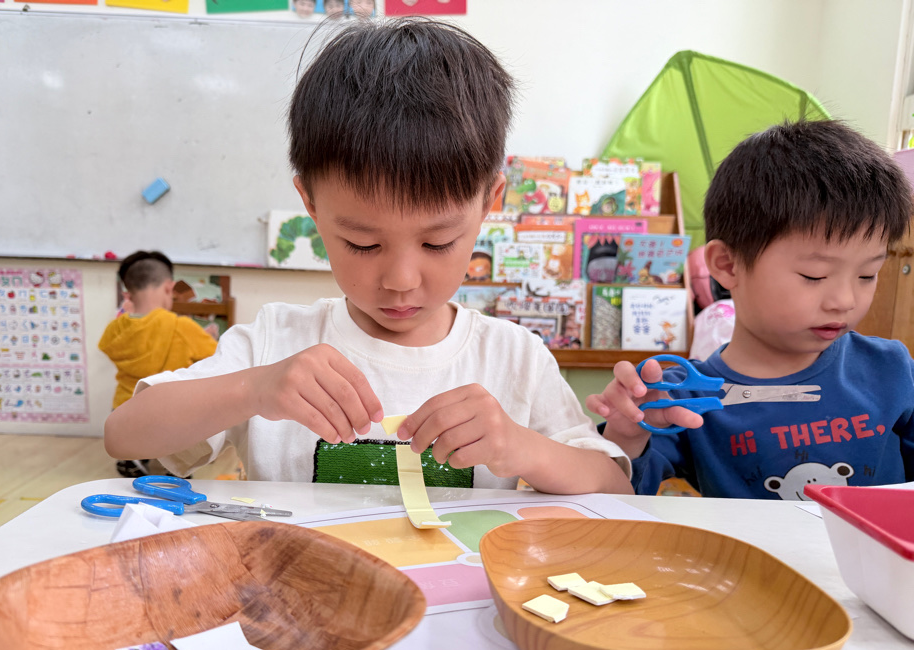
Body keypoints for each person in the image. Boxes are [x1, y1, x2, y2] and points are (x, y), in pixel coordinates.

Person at [104, 18, 631, 494]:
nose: (401, 280)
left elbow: (614, 488)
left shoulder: (514, 358)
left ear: (490, 202)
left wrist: (524, 448)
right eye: (363, 244)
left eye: (437, 243)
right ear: (311, 204)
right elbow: (123, 434)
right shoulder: (275, 343)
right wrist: (253, 389)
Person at [587, 120, 914, 500]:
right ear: (728, 265)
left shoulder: (889, 368)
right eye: (814, 275)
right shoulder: (681, 397)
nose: (845, 300)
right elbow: (619, 497)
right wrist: (627, 434)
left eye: (867, 274)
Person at [99, 250, 218, 477]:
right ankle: (176, 463)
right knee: (187, 419)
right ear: (169, 288)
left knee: (134, 427)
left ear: (128, 292)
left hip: (125, 410)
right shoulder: (181, 327)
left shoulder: (116, 328)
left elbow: (106, 346)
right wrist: (209, 338)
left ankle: (133, 455)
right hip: (168, 413)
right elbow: (215, 356)